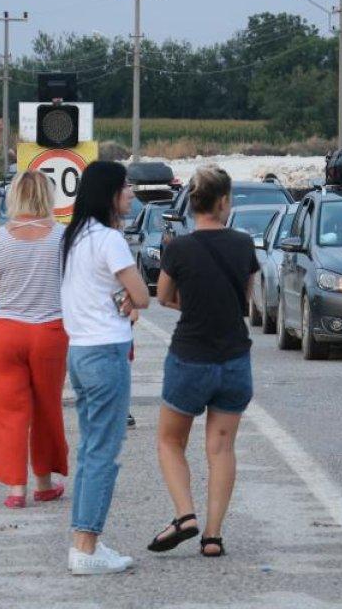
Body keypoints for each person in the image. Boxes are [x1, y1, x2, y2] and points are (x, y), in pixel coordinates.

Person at [149, 166, 258, 558]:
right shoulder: (244, 244)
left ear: (192, 203)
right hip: (234, 359)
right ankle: (212, 536)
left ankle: (185, 515)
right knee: (222, 448)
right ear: (224, 201)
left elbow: (163, 296)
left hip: (190, 358)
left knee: (170, 441)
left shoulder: (178, 248)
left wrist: (192, 304)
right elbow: (246, 298)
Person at [60, 161, 149, 576]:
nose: (131, 192)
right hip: (106, 352)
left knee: (89, 450)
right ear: (109, 193)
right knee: (103, 453)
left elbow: (97, 292)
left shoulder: (74, 236)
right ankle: (86, 547)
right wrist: (130, 298)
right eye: (125, 186)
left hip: (79, 350)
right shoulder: (110, 239)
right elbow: (142, 295)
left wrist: (123, 298)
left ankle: (84, 541)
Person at [0, 171, 68, 509]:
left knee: (8, 410)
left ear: (14, 196)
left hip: (6, 331)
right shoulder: (61, 237)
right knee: (47, 407)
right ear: (47, 196)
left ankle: (16, 488)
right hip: (49, 330)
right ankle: (44, 483)